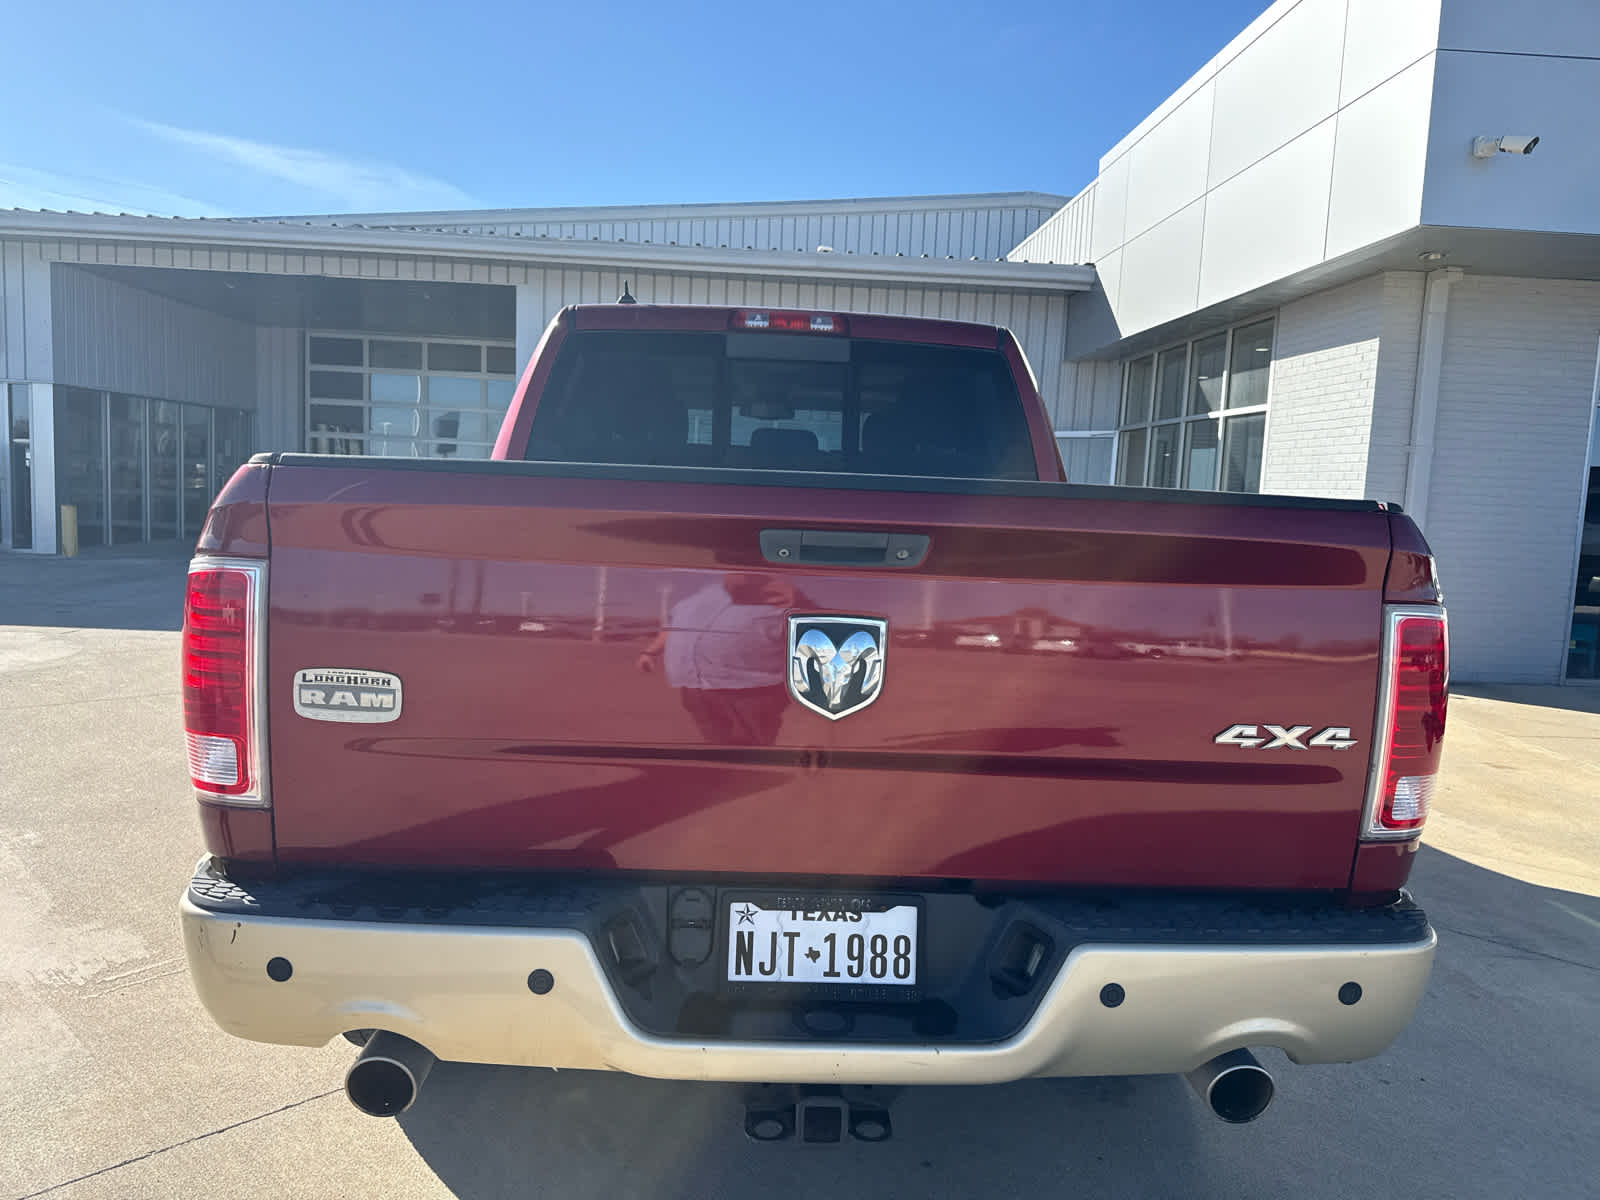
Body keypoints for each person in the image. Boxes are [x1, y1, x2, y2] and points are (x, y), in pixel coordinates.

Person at [636, 573, 798, 746]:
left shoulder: (779, 593)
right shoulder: (693, 599)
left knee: (755, 745)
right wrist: (650, 652)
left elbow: (806, 631)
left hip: (753, 689)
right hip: (694, 686)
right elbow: (672, 626)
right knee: (716, 742)